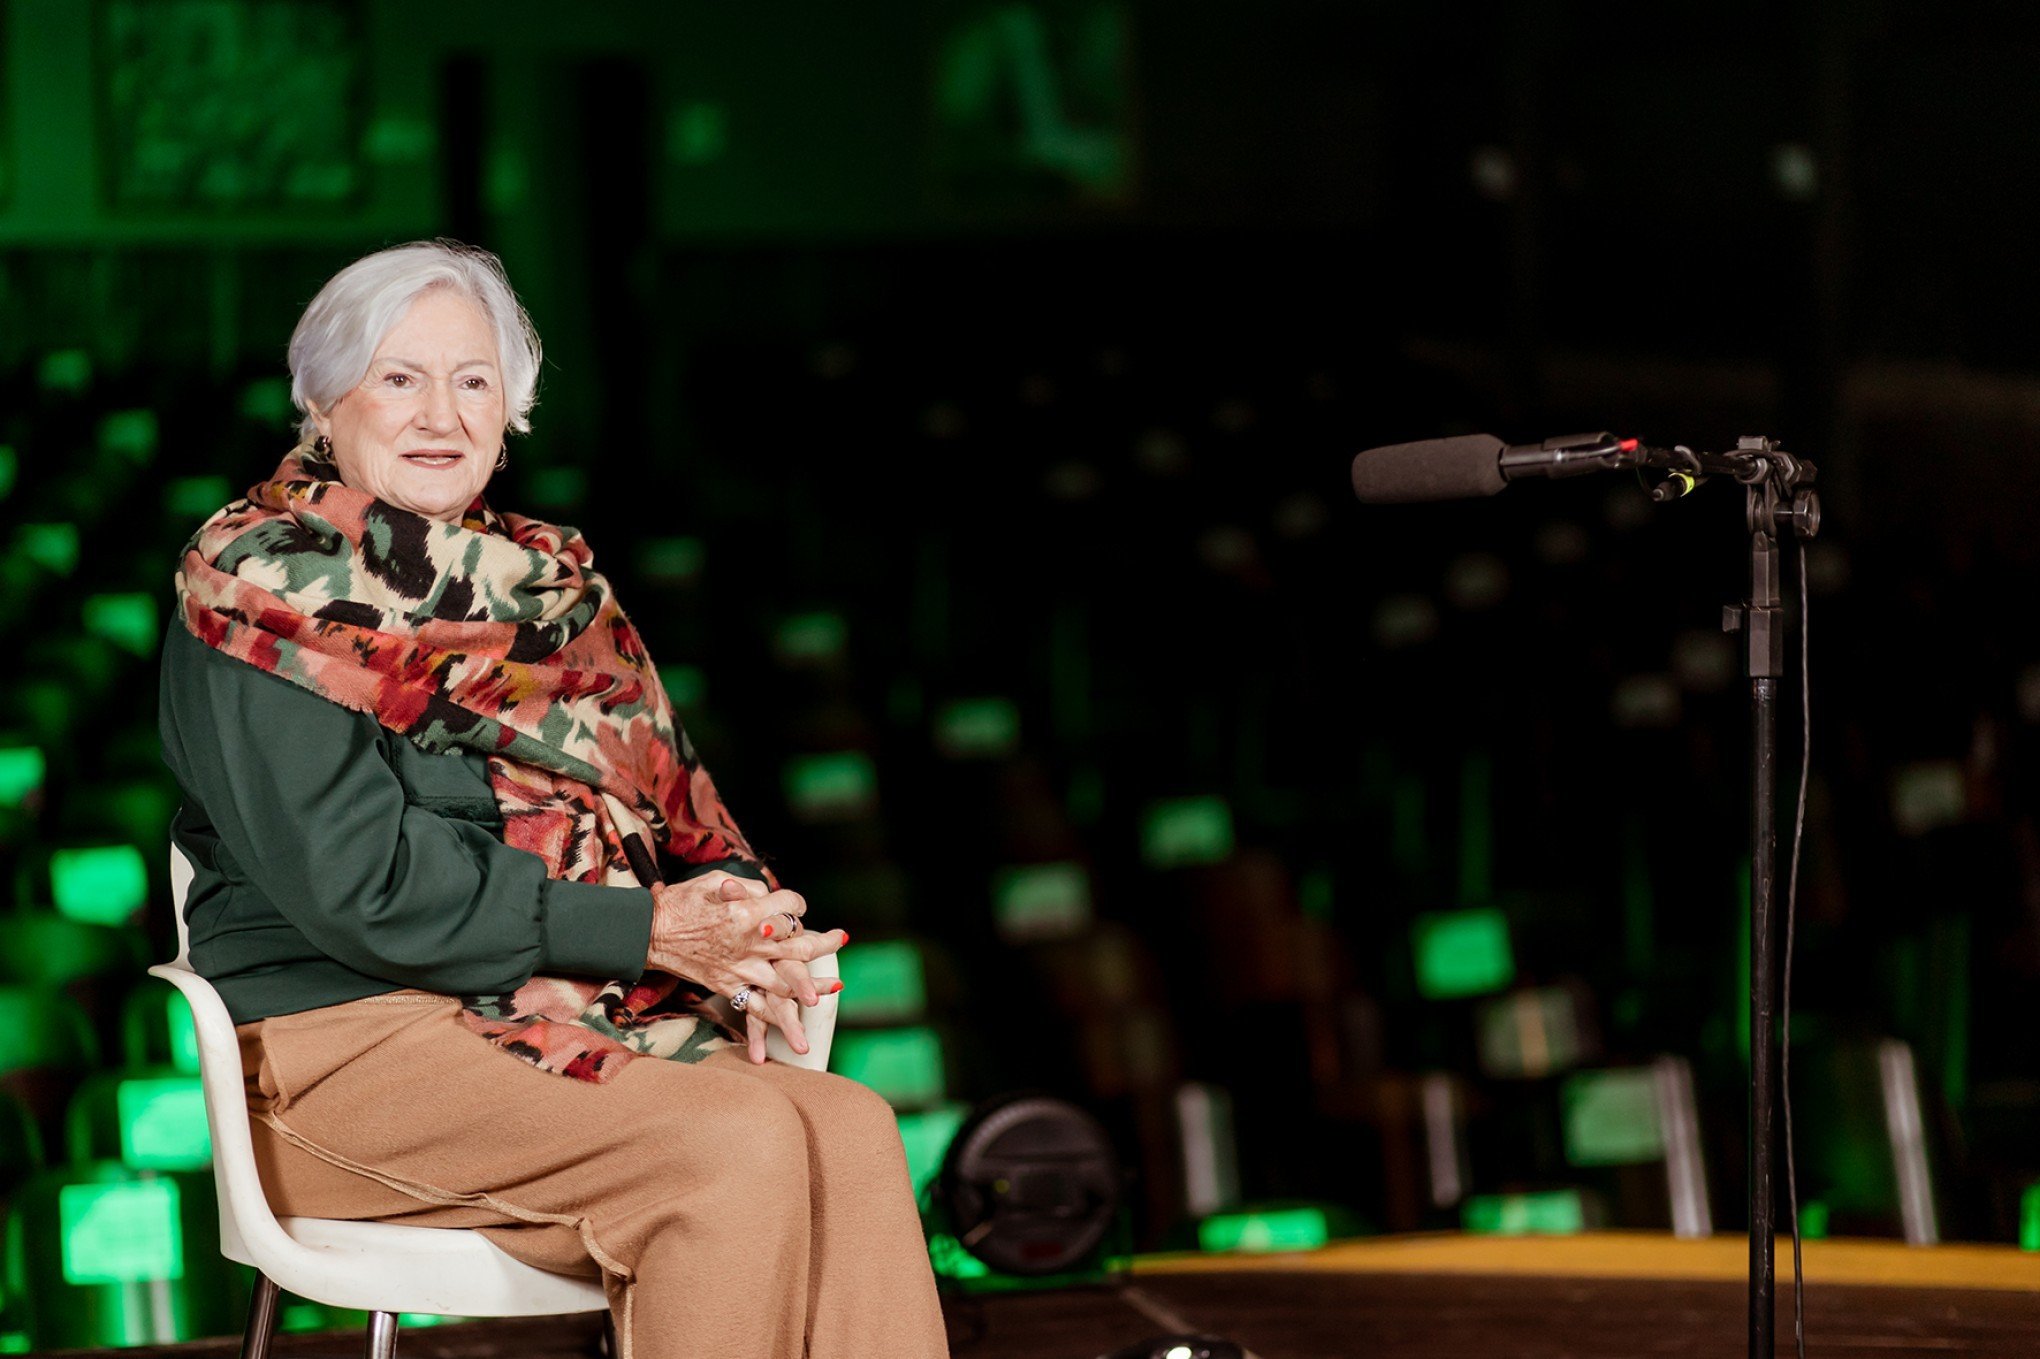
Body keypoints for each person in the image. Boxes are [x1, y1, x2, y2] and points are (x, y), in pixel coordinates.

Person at [159, 239, 949, 1358]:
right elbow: (362, 888)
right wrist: (648, 933)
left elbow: (682, 810)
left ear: (509, 409)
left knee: (853, 1130)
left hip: (546, 1017)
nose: (441, 412)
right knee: (728, 1144)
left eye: (472, 380)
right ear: (327, 402)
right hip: (339, 1048)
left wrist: (746, 923)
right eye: (399, 377)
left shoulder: (550, 587)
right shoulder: (258, 585)